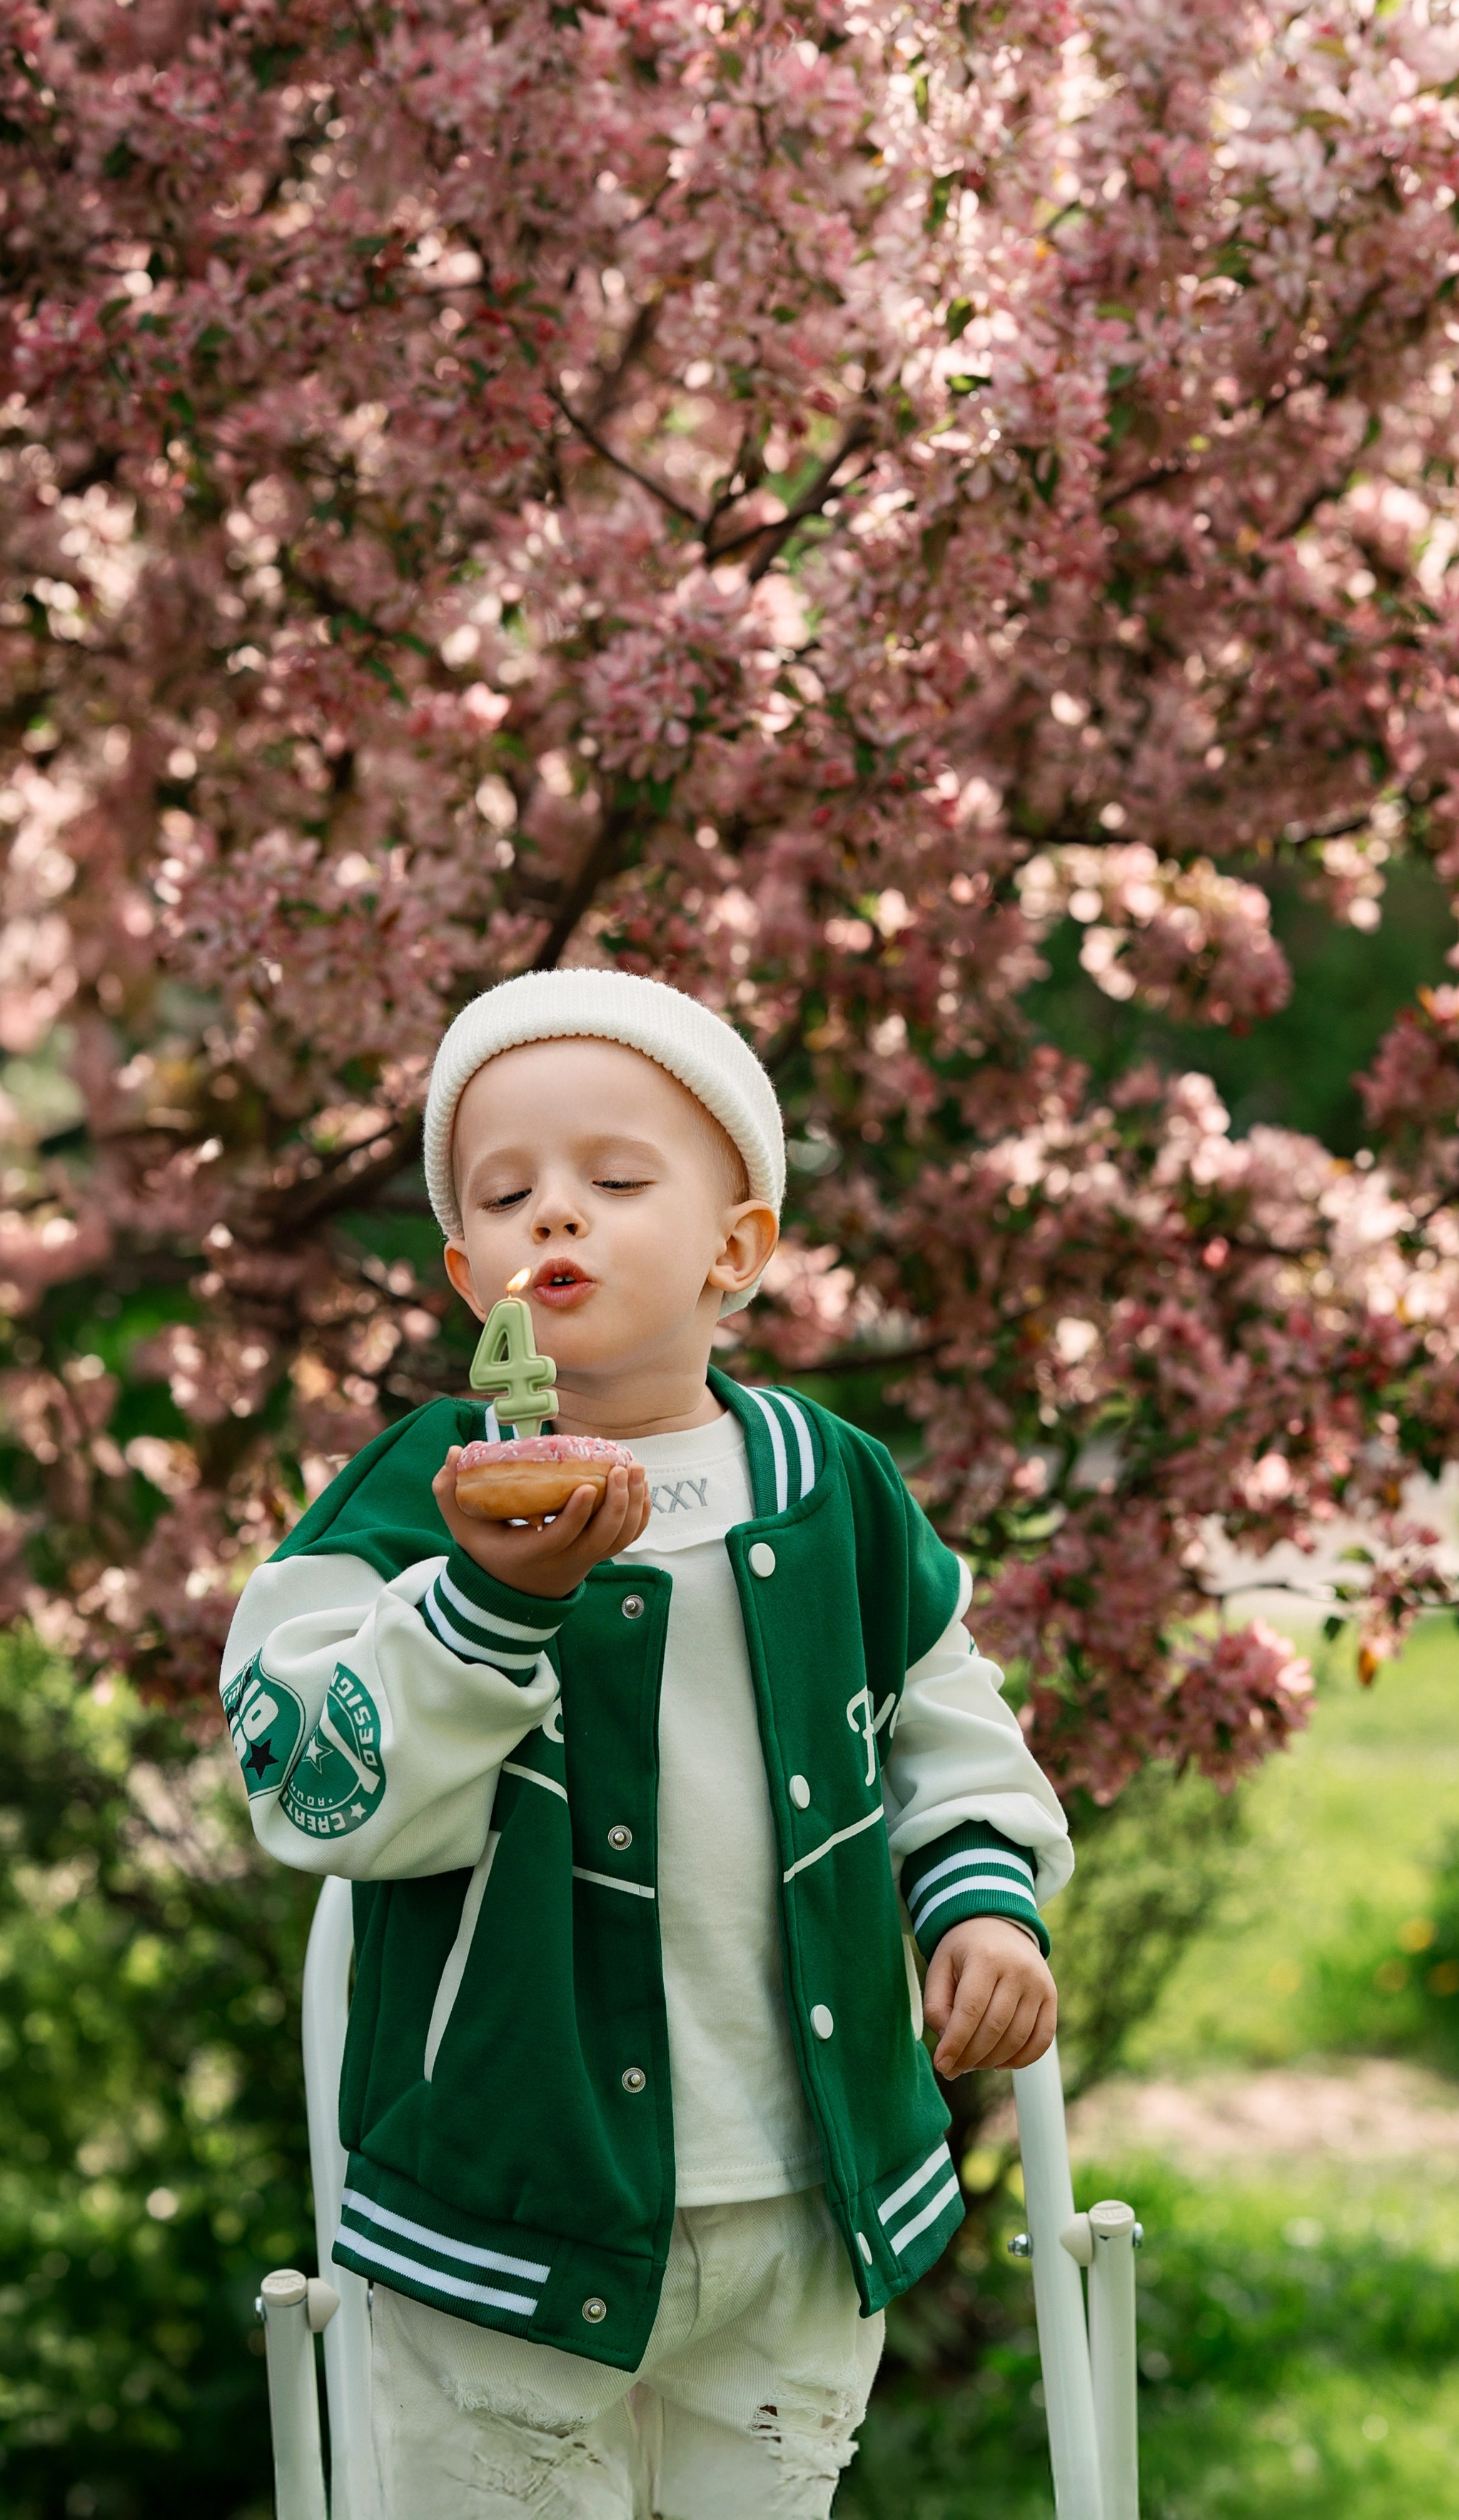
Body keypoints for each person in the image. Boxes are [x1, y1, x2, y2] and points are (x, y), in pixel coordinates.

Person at [220, 969, 1071, 2519]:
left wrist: (979, 1895)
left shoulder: (828, 1485)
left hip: (804, 2199)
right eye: (509, 1192)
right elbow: (307, 1782)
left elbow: (940, 1718)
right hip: (505, 2210)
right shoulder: (423, 1494)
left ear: (735, 1247)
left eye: (614, 1180)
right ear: (463, 1263)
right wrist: (484, 1603)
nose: (559, 1216)